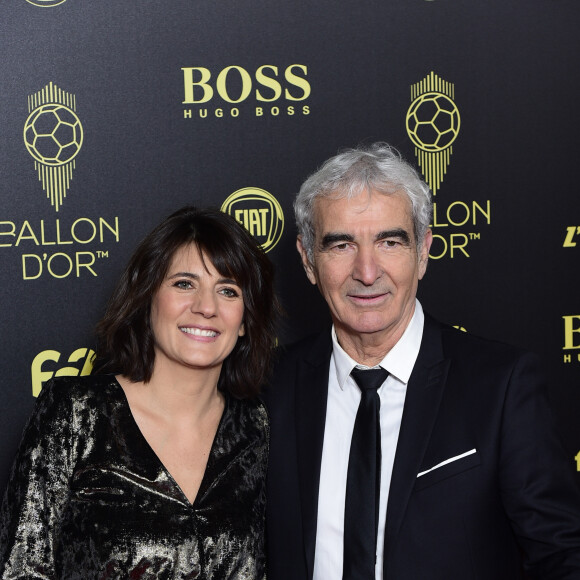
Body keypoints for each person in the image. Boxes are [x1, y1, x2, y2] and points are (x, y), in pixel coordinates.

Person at [263, 143, 580, 580]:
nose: (368, 271)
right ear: (308, 260)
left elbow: (562, 555)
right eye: (341, 246)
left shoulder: (501, 386)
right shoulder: (269, 385)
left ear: (424, 251)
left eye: (390, 242)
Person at [0, 206, 278, 579]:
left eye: (227, 291)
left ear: (245, 320)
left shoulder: (257, 427)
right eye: (184, 283)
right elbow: (21, 568)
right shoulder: (76, 412)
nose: (206, 307)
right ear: (148, 299)